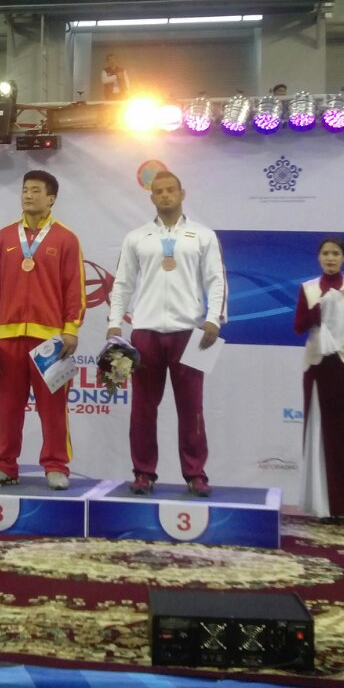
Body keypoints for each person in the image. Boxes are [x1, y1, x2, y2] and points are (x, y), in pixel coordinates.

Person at [106, 171, 227, 497]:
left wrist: (214, 319)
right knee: (143, 408)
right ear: (151, 198)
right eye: (158, 191)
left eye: (171, 190)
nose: (165, 195)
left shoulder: (203, 235)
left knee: (192, 408)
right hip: (145, 332)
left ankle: (195, 474)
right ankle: (143, 472)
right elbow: (123, 283)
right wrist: (115, 323)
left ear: (182, 193)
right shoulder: (137, 237)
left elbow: (216, 279)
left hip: (190, 332)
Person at [0, 170, 86, 490]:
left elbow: (75, 287)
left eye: (36, 190)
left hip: (50, 339)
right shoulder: (5, 237)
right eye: (25, 189)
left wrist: (71, 328)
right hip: (9, 336)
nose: (28, 195)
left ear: (51, 198)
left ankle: (56, 466)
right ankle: (4, 466)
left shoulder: (66, 238)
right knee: (8, 407)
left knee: (53, 409)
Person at [293, 236, 344, 524]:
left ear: (343, 258)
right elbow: (298, 326)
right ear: (319, 257)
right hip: (317, 369)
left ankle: (343, 507)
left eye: (335, 253)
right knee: (318, 435)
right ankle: (321, 506)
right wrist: (319, 309)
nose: (330, 258)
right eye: (325, 253)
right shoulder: (308, 289)